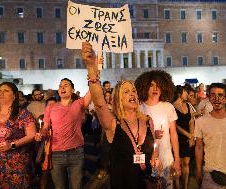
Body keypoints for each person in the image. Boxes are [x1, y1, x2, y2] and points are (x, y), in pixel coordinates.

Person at [82, 42, 160, 189]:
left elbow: (154, 150)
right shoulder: (113, 123)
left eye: (134, 91)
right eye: (126, 92)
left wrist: (156, 160)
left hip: (145, 183)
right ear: (118, 99)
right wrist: (91, 68)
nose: (132, 94)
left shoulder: (148, 121)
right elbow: (99, 103)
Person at [36, 78, 91, 189]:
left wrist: (94, 77)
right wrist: (41, 133)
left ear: (72, 90)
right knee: (59, 186)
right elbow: (45, 128)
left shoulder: (79, 104)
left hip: (76, 153)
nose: (62, 87)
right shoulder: (50, 107)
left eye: (66, 85)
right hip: (56, 154)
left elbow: (92, 92)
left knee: (76, 186)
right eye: (60, 85)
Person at [135, 70, 181, 189]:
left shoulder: (168, 107)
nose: (155, 88)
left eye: (159, 85)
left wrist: (177, 160)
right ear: (145, 87)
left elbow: (174, 134)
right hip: (147, 161)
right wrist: (151, 134)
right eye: (151, 85)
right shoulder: (139, 108)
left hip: (166, 159)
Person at [195, 83, 226, 189]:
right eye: (212, 95)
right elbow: (199, 148)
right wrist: (199, 171)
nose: (216, 98)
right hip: (211, 174)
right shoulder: (200, 122)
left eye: (220, 95)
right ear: (209, 98)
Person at [0, 82, 36, 188]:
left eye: (6, 91)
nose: (1, 93)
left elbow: (31, 135)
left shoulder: (23, 114)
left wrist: (11, 145)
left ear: (14, 96)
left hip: (16, 165)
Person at [172, 85, 194, 189]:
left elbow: (191, 121)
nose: (187, 95)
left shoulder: (188, 105)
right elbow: (174, 125)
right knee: (178, 163)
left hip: (188, 137)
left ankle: (185, 186)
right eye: (186, 92)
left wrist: (191, 136)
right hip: (177, 138)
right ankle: (177, 186)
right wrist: (187, 134)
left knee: (187, 162)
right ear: (180, 93)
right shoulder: (172, 106)